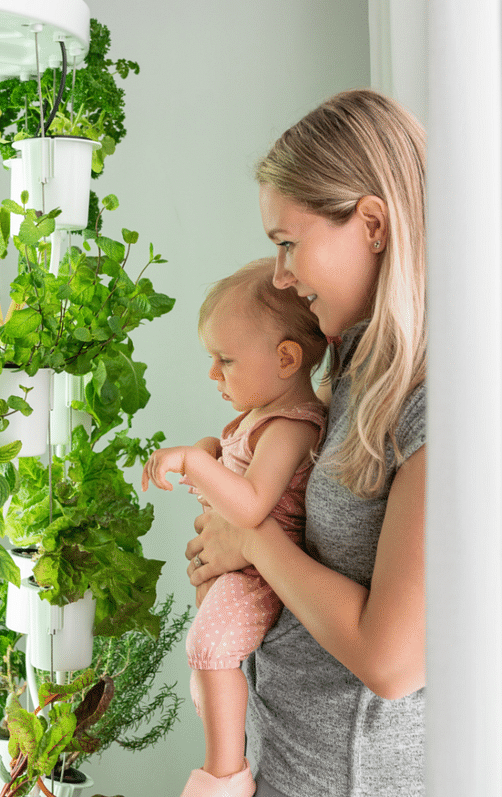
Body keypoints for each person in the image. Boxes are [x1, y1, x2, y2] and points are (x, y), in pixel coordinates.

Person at [186, 89, 427, 797]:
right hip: (289, 764)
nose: (282, 275)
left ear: (373, 224)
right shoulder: (354, 364)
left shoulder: (429, 399)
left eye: (288, 243)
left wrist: (250, 540)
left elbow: (392, 661)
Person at [142, 256, 328, 797]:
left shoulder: (292, 427)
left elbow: (249, 506)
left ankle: (225, 773)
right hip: (234, 566)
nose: (213, 374)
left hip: (260, 574)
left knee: (211, 647)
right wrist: (206, 451)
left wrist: (197, 464)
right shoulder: (259, 415)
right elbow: (232, 468)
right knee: (207, 651)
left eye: (225, 360)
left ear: (286, 358)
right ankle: (215, 692)